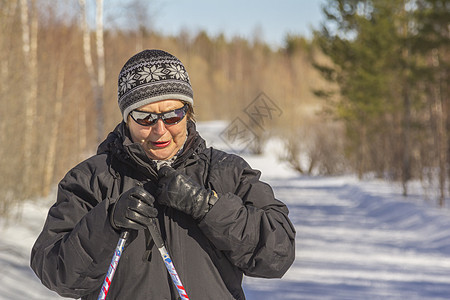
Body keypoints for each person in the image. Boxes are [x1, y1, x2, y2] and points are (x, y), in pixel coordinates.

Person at [30, 49, 296, 299]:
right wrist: (107, 222)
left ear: (188, 113)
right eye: (145, 118)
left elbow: (278, 254)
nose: (160, 131)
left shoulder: (227, 171)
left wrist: (208, 208)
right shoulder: (91, 179)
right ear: (126, 119)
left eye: (172, 116)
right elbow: (56, 273)